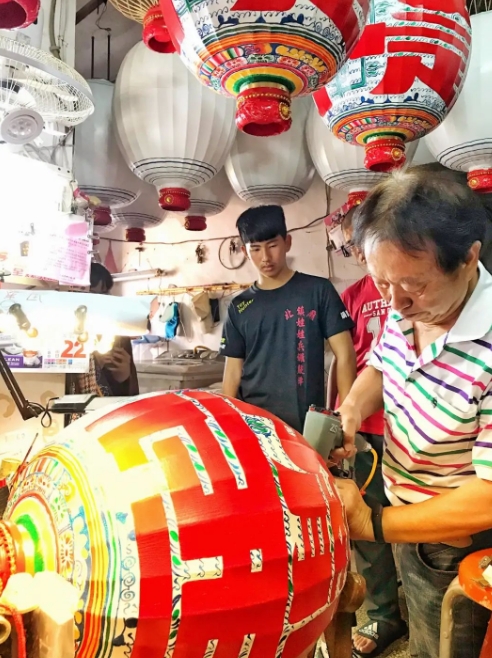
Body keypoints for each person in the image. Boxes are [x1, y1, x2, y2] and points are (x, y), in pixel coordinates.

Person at [335, 171, 492, 658]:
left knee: (445, 646)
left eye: (413, 286)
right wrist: (353, 410)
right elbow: (379, 368)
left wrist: (374, 525)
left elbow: (488, 498)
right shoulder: (408, 307)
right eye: (382, 282)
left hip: (455, 544)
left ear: (469, 257)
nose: (395, 302)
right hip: (405, 513)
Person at [329, 208, 407, 657]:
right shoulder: (353, 296)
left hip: (414, 427)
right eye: (351, 246)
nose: (359, 253)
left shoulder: (416, 289)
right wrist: (345, 412)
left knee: (429, 520)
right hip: (366, 428)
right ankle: (383, 614)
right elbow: (351, 361)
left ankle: (431, 600)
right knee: (367, 522)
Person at [220, 204, 356, 434]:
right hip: (254, 424)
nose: (265, 257)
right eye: (255, 249)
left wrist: (345, 412)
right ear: (244, 251)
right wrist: (226, 423)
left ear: (288, 242)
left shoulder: (318, 290)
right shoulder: (238, 307)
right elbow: (233, 371)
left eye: (273, 245)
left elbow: (345, 355)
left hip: (307, 424)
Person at [67, 263, 139, 400]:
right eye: (93, 294)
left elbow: (128, 391)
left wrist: (124, 376)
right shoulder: (67, 330)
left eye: (104, 293)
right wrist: (94, 368)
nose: (100, 300)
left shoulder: (116, 329)